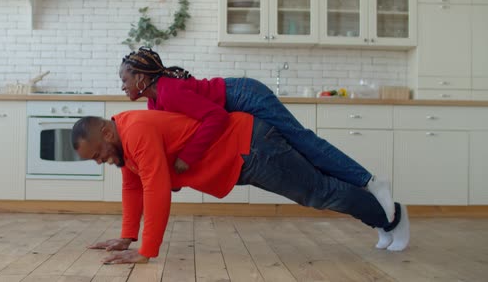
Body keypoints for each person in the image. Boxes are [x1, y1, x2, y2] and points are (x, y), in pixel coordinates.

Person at [71, 110, 410, 265]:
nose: (100, 161)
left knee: (318, 191)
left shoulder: (136, 132)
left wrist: (146, 251)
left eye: (98, 154)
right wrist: (128, 235)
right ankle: (383, 216)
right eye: (95, 160)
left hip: (250, 148)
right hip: (245, 152)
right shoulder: (123, 144)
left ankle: (391, 218)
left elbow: (156, 189)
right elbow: (133, 187)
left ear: (106, 134)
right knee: (319, 188)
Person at [119, 47, 395, 223]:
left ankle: (369, 181)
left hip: (246, 96)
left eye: (125, 79)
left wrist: (187, 159)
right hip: (239, 103)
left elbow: (216, 117)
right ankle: (367, 198)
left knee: (303, 140)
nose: (122, 85)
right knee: (304, 155)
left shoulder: (169, 91)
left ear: (141, 78)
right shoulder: (155, 101)